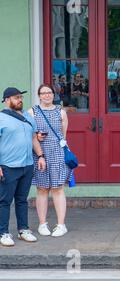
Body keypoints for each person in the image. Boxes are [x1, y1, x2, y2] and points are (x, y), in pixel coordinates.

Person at [0, 87, 46, 247]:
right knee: (4, 201)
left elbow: (34, 138)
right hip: (8, 166)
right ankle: (3, 233)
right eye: (16, 97)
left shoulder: (27, 117)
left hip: (27, 165)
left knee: (21, 200)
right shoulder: (1, 118)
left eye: (20, 97)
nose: (20, 100)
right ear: (7, 100)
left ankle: (23, 230)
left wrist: (40, 156)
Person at [28, 84, 72, 237]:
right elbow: (29, 135)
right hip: (39, 153)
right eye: (43, 93)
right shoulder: (32, 112)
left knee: (58, 188)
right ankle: (42, 224)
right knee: (41, 188)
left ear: (54, 95)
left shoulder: (61, 112)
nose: (46, 95)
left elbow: (63, 135)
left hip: (57, 153)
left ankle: (61, 224)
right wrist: (37, 137)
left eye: (49, 93)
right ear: (39, 95)